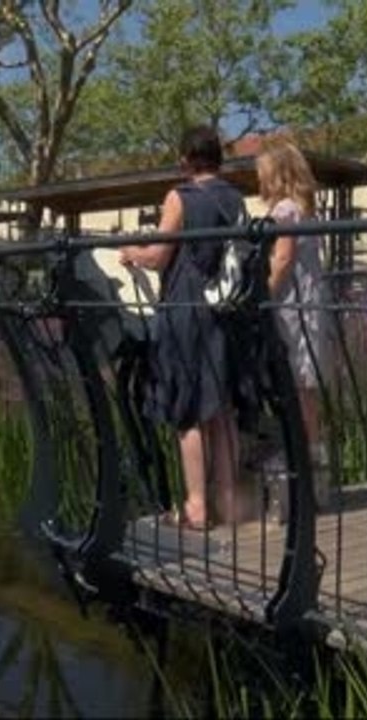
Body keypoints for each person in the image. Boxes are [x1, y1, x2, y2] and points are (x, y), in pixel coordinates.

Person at [120, 125, 250, 529]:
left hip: (185, 311)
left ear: (184, 160)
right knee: (222, 410)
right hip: (225, 312)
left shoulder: (181, 197)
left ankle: (195, 506)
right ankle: (229, 503)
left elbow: (159, 256)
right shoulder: (234, 198)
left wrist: (131, 252)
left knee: (187, 411)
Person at [255, 137, 332, 511]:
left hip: (291, 310)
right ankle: (314, 482)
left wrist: (260, 296)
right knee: (308, 396)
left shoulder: (284, 210)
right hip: (309, 305)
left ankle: (297, 483)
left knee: (295, 390)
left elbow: (282, 259)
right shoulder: (306, 210)